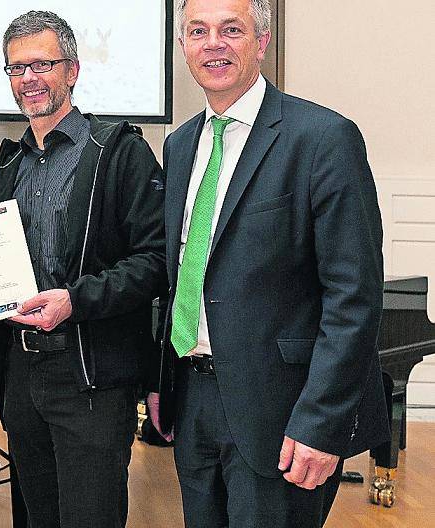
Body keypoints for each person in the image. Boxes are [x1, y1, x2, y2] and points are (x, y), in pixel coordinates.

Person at [147, 0, 390, 526]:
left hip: (283, 415)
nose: (213, 43)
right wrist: (161, 378)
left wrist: (320, 423)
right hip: (193, 401)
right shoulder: (180, 145)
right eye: (197, 31)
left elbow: (355, 298)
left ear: (261, 41)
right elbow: (180, 276)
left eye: (230, 29)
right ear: (184, 47)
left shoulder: (324, 139)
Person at [0, 11, 165, 527]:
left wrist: (74, 301)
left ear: (73, 71)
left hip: (91, 377)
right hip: (22, 374)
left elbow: (155, 261)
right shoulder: (11, 164)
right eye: (17, 69)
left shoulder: (119, 152)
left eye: (42, 64)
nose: (29, 79)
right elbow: (2, 271)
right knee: (34, 519)